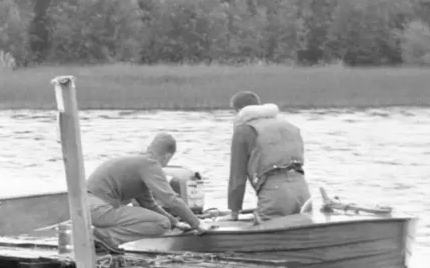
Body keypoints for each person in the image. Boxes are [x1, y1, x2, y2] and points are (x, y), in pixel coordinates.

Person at [85, 132, 205, 251]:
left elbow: (149, 205)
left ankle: (101, 240)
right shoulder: (150, 164)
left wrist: (175, 223)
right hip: (100, 209)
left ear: (149, 148)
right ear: (167, 156)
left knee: (165, 221)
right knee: (162, 223)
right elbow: (171, 200)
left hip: (85, 208)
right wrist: (197, 223)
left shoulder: (139, 163)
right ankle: (104, 237)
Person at [226, 91, 311, 223]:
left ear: (238, 110)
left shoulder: (243, 129)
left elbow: (237, 177)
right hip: (302, 191)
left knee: (264, 234)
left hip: (274, 194)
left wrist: (234, 212)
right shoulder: (287, 124)